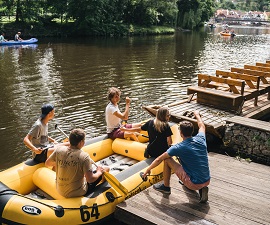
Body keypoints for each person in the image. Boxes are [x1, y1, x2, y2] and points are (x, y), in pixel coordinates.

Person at [142, 111, 210, 203]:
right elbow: (202, 125)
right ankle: (201, 188)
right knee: (186, 158)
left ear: (181, 133)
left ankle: (166, 187)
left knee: (167, 159)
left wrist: (147, 170)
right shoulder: (201, 138)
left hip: (193, 183)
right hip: (207, 179)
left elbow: (159, 159)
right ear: (192, 131)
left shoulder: (179, 147)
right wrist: (197, 115)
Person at [45, 128, 109, 198]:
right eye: (84, 140)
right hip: (77, 192)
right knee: (106, 169)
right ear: (81, 142)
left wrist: (63, 164)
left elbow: (47, 164)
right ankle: (102, 191)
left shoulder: (59, 150)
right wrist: (99, 171)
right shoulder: (84, 156)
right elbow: (90, 180)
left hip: (60, 190)